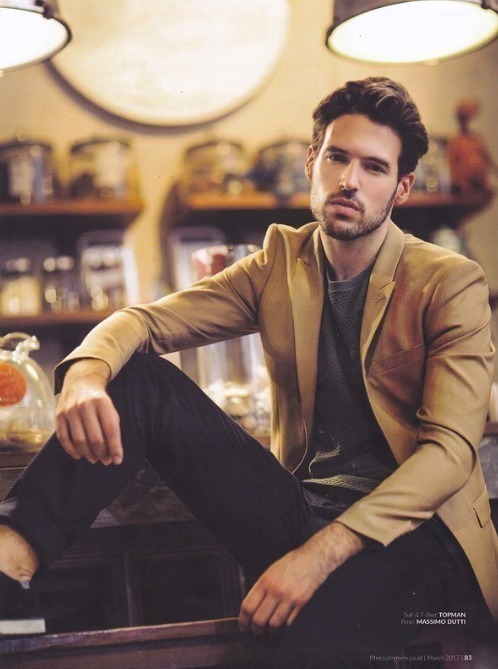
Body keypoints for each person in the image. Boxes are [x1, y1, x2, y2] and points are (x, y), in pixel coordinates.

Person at [0, 77, 497, 667]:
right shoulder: (280, 265)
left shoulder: (448, 281)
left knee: (306, 644)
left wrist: (317, 558)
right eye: (337, 157)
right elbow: (143, 321)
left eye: (374, 167)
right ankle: (9, 570)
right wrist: (84, 375)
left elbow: (449, 455)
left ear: (402, 188)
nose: (349, 180)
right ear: (312, 163)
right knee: (138, 381)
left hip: (420, 541)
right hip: (305, 512)